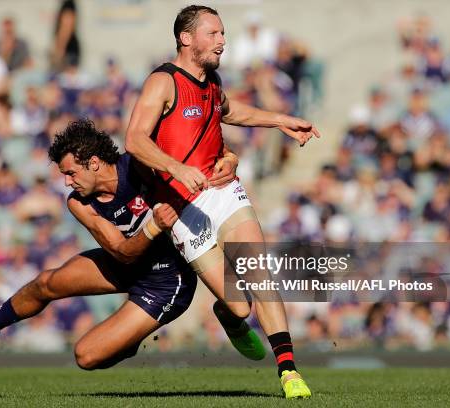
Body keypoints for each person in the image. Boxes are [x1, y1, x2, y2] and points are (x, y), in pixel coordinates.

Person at [125, 5, 319, 398]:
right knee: (240, 308)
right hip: (181, 208)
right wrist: (176, 169)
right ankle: (230, 317)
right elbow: (134, 141)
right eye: (213, 34)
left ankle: (288, 371)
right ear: (186, 38)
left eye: (223, 34)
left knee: (257, 268)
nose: (222, 41)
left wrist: (281, 119)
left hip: (222, 192)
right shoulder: (163, 81)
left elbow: (232, 112)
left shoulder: (212, 82)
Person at [0, 119, 237, 369]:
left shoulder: (138, 167)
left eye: (70, 173)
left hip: (166, 282)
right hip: (129, 262)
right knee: (46, 283)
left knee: (86, 356)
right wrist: (155, 226)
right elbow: (121, 252)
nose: (66, 182)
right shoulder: (80, 203)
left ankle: (127, 342)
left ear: (93, 163)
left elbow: (196, 146)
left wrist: (230, 156)